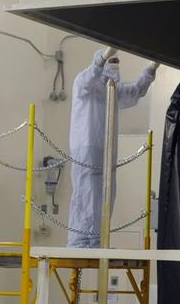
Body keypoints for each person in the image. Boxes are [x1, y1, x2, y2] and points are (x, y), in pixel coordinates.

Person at [67, 47, 157, 248]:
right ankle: (82, 241)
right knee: (87, 191)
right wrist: (103, 57)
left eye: (117, 61)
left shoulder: (113, 91)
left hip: (108, 150)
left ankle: (98, 239)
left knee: (106, 194)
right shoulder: (84, 83)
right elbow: (91, 75)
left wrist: (151, 68)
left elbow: (137, 91)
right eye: (111, 61)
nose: (115, 66)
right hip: (87, 146)